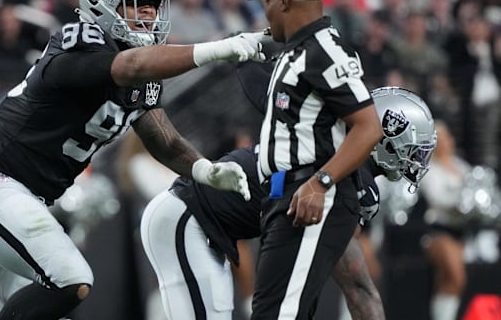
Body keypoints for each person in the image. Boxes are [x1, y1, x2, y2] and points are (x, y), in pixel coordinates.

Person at [0, 0, 267, 320]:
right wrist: (217, 49)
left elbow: (164, 139)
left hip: (20, 196)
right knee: (71, 278)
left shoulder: (139, 73)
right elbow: (129, 67)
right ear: (101, 6)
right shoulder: (80, 41)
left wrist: (205, 170)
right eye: (137, 7)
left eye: (152, 7)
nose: (149, 16)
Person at [140, 61, 436, 320]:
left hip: (204, 226)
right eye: (414, 148)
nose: (418, 158)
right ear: (387, 139)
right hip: (187, 215)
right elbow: (355, 283)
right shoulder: (348, 176)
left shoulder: (337, 156)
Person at [221, 0, 384, 318]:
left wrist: (320, 182)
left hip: (310, 196)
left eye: (269, 4)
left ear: (285, 3)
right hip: (288, 196)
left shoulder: (321, 51)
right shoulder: (300, 43)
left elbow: (369, 127)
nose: (266, 12)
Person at [418, 120, 471, 320]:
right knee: (455, 276)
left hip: (462, 231)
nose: (445, 142)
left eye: (446, 137)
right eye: (439, 139)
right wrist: (463, 202)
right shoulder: (427, 168)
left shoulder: (461, 165)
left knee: (450, 281)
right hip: (437, 230)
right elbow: (437, 198)